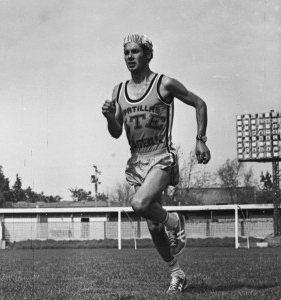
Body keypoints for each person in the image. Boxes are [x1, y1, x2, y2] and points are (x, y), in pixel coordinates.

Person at [102, 34, 211, 297]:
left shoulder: (164, 84)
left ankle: (175, 221)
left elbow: (199, 103)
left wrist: (201, 140)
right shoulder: (118, 91)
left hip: (161, 156)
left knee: (139, 204)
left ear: (149, 54)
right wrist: (109, 117)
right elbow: (116, 132)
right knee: (152, 225)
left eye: (135, 51)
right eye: (126, 52)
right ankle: (177, 274)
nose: (130, 56)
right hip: (137, 160)